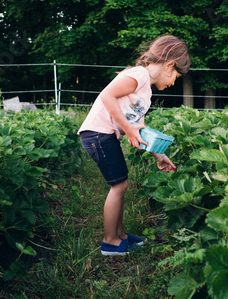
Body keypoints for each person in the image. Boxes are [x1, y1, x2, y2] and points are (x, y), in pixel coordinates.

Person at [78, 35, 190, 256]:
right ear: (169, 65)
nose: (174, 82)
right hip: (97, 134)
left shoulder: (145, 92)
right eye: (176, 75)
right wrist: (127, 129)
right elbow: (107, 95)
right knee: (118, 186)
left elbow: (140, 128)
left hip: (104, 135)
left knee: (122, 184)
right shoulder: (139, 75)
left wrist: (160, 156)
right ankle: (109, 242)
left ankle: (119, 235)